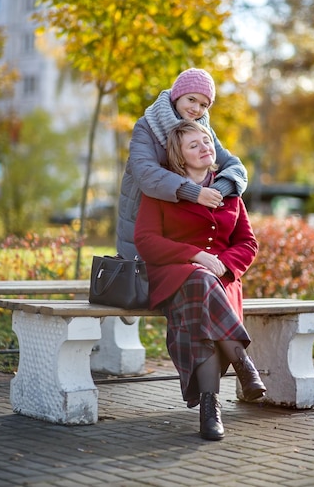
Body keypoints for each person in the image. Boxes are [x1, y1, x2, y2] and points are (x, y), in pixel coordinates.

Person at [134, 120, 266, 441]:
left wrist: (223, 265)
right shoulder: (162, 190)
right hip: (173, 274)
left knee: (203, 294)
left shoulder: (229, 189)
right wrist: (194, 255)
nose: (205, 147)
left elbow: (248, 243)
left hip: (221, 280)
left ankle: (211, 408)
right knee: (198, 280)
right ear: (179, 157)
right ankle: (243, 362)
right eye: (194, 145)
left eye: (206, 141)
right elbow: (145, 240)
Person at [117, 68, 248, 260]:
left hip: (179, 218)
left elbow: (235, 167)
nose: (196, 109)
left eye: (204, 105)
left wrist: (218, 190)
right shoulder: (147, 125)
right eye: (191, 99)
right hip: (144, 211)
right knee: (141, 278)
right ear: (177, 96)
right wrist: (195, 193)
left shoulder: (203, 130)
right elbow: (145, 173)